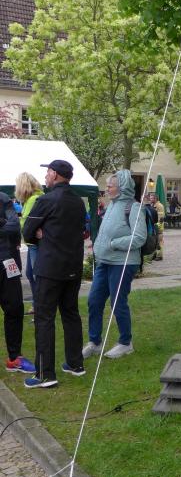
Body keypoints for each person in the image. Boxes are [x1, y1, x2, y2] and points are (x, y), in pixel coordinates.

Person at [22, 160, 87, 388]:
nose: (46, 176)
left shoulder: (46, 200)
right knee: (71, 314)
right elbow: (81, 230)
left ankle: (45, 374)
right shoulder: (78, 201)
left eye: (48, 172)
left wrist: (42, 234)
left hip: (50, 268)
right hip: (73, 267)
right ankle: (75, 364)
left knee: (44, 318)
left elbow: (27, 231)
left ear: (56, 175)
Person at [82, 170, 147, 361]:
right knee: (94, 300)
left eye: (110, 186)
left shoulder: (134, 207)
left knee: (118, 302)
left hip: (123, 263)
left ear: (122, 188)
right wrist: (99, 245)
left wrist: (112, 244)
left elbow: (139, 237)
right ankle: (95, 342)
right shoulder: (111, 205)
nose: (107, 189)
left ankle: (126, 343)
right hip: (104, 262)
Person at [0, 190, 35, 374]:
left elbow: (14, 227)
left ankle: (14, 358)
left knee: (14, 308)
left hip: (7, 261)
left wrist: (3, 223)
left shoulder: (3, 198)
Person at [15, 172, 44, 313]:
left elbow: (29, 221)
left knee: (36, 275)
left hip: (35, 244)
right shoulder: (31, 199)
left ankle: (41, 306)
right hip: (32, 243)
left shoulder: (34, 199)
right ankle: (37, 304)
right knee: (30, 274)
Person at [149, 193, 165, 260]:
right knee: (154, 242)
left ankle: (159, 256)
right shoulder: (152, 205)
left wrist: (157, 227)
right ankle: (154, 254)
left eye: (152, 198)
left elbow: (161, 218)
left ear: (155, 198)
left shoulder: (159, 206)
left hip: (158, 227)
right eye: (150, 198)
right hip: (153, 226)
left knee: (159, 242)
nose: (150, 199)